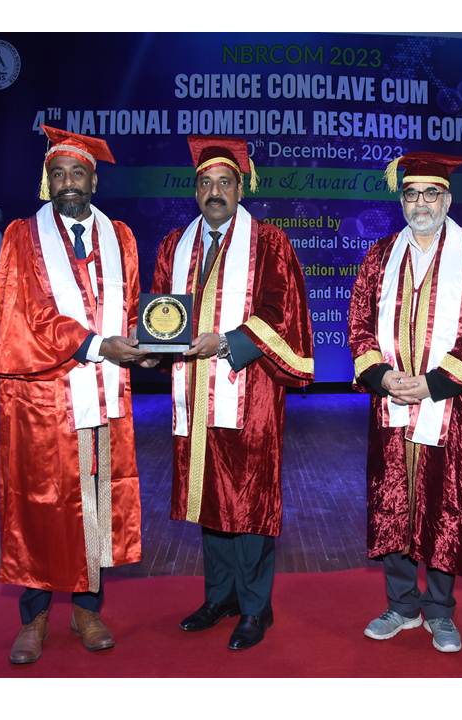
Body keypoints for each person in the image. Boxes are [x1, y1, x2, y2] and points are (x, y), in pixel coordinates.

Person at [0, 126, 156, 664]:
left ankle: (87, 610)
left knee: (97, 500)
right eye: (58, 173)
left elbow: (129, 307)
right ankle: (35, 616)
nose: (68, 183)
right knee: (41, 504)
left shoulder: (120, 237)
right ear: (48, 181)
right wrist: (95, 344)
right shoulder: (23, 236)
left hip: (103, 395)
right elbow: (26, 314)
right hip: (45, 400)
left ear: (94, 180)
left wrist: (142, 346)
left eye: (77, 173)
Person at [151, 136, 313, 650]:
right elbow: (163, 314)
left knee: (249, 500)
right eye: (206, 183)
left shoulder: (269, 243)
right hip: (193, 392)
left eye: (224, 182)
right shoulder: (175, 245)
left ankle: (255, 607)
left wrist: (226, 341)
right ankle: (219, 596)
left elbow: (282, 314)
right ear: (195, 190)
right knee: (208, 498)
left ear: (241, 188)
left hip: (250, 393)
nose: (215, 192)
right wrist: (152, 346)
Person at [348, 152, 462, 653]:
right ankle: (401, 605)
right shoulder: (380, 256)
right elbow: (359, 323)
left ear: (447, 200)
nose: (421, 203)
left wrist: (435, 383)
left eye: (431, 193)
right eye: (411, 194)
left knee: (444, 505)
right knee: (392, 501)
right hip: (390, 403)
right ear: (401, 201)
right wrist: (382, 376)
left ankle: (439, 609)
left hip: (447, 408)